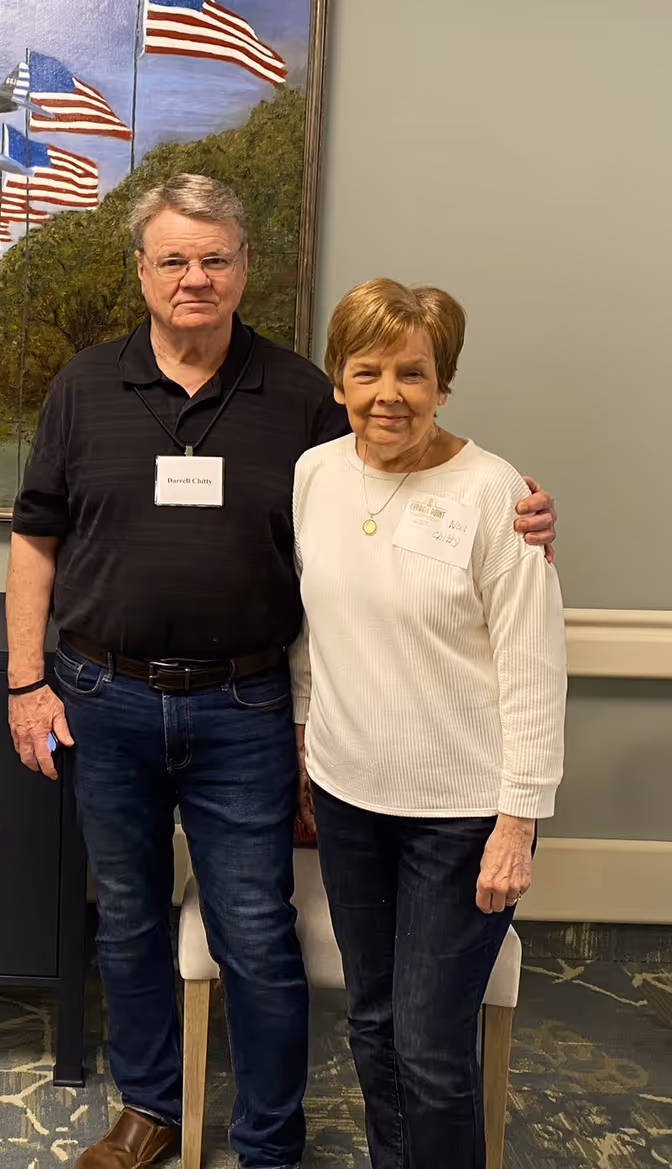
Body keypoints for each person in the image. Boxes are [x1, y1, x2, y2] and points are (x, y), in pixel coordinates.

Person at [5, 175, 556, 1169]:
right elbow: (34, 537)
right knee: (125, 919)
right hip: (104, 699)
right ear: (140, 270)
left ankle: (268, 1140)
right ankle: (150, 1111)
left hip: (245, 707)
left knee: (256, 932)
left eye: (214, 258)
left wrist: (514, 511)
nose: (193, 278)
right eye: (172, 258)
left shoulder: (306, 396)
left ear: (245, 269)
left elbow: (397, 483)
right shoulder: (83, 388)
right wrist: (23, 682)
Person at [291, 280, 566, 1168]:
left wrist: (517, 821)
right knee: (370, 1025)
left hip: (462, 815)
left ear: (443, 386)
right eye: (367, 370)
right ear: (338, 380)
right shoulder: (315, 475)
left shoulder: (495, 496)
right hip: (348, 799)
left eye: (413, 372)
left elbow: (534, 670)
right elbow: (312, 628)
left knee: (430, 1049)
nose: (388, 394)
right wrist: (305, 734)